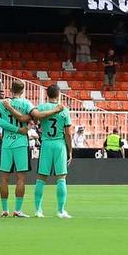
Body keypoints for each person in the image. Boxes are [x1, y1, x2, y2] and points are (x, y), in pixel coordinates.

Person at [0, 79, 36, 217]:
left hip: (7, 142)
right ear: (23, 90)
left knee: (4, 178)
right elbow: (33, 117)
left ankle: (4, 210)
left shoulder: (1, 103)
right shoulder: (26, 103)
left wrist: (6, 125)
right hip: (21, 143)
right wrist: (18, 128)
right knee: (21, 178)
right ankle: (18, 210)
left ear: (10, 89)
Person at [28, 82, 73, 218]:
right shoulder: (63, 110)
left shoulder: (41, 107)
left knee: (41, 177)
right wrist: (70, 151)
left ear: (47, 94)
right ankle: (60, 211)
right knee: (61, 178)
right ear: (59, 95)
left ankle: (38, 210)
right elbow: (68, 133)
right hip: (59, 144)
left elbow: (33, 120)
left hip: (46, 143)